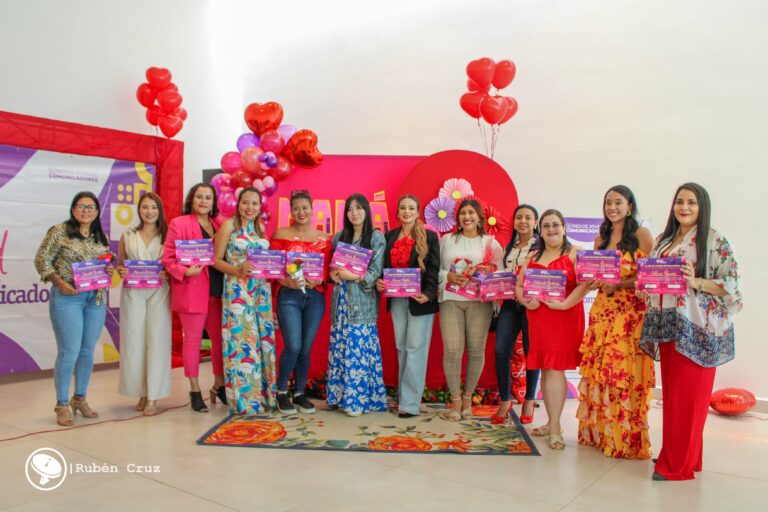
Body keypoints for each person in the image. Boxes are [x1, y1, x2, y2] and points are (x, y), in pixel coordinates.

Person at [638, 183, 742, 481]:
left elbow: (732, 285)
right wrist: (644, 281)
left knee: (689, 399)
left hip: (699, 327)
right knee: (674, 397)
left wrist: (696, 282)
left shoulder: (714, 239)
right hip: (668, 325)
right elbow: (655, 275)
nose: (684, 207)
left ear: (702, 207)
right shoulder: (664, 239)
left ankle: (676, 467)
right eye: (680, 202)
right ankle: (682, 455)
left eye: (691, 203)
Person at [577, 185, 655, 458]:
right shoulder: (601, 237)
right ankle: (603, 434)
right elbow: (595, 275)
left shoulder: (643, 235)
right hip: (602, 312)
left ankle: (626, 438)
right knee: (601, 373)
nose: (612, 207)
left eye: (618, 202)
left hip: (630, 315)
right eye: (608, 203)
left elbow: (649, 277)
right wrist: (594, 281)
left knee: (624, 375)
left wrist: (620, 285)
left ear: (630, 206)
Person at [34, 191, 114, 426]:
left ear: (97, 211)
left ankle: (80, 398)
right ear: (73, 209)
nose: (86, 210)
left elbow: (106, 262)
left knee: (88, 350)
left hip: (95, 298)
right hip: (68, 298)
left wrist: (108, 269)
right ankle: (61, 404)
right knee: (69, 351)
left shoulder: (100, 235)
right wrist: (59, 282)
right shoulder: (59, 231)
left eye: (91, 207)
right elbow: (41, 260)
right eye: (81, 206)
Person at [516, 209, 589, 450]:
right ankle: (550, 421)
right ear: (541, 229)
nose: (551, 229)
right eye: (546, 225)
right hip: (539, 319)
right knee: (547, 371)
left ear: (564, 227)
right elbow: (519, 285)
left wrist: (566, 303)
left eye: (555, 225)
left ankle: (556, 428)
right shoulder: (532, 256)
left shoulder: (575, 253)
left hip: (565, 317)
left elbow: (585, 283)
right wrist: (526, 300)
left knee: (555, 370)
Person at [438, 198, 503, 421]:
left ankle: (468, 399)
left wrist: (485, 274)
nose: (467, 217)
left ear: (480, 218)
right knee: (453, 351)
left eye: (471, 213)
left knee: (476, 351)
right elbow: (434, 269)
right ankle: (455, 401)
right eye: (463, 213)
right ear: (457, 218)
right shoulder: (446, 240)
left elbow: (500, 276)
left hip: (480, 303)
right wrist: (448, 275)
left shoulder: (491, 244)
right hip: (450, 300)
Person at [213, 187, 277, 415]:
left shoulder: (260, 228)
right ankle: (245, 402)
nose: (249, 208)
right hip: (238, 290)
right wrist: (237, 269)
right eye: (245, 203)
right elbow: (216, 260)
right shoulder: (229, 226)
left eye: (254, 204)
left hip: (261, 291)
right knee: (244, 343)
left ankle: (264, 396)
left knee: (264, 343)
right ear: (238, 203)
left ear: (260, 207)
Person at [375, 195, 440, 418]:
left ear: (418, 211)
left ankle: (410, 404)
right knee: (402, 348)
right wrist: (379, 281)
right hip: (397, 300)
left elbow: (433, 268)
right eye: (402, 207)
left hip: (419, 301)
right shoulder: (389, 236)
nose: (406, 211)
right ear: (398, 211)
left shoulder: (429, 237)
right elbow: (383, 267)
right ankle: (404, 397)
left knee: (415, 349)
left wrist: (429, 294)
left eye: (411, 208)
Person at [162, 183, 224, 413]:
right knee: (193, 342)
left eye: (208, 197)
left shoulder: (220, 224)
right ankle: (195, 389)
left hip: (217, 291)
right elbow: (168, 259)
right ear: (192, 199)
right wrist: (184, 271)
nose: (204, 201)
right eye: (199, 196)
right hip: (191, 289)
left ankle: (219, 385)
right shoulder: (179, 224)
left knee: (219, 341)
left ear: (213, 202)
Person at [326, 194, 387, 416]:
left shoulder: (376, 237)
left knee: (359, 349)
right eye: (350, 209)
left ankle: (358, 401)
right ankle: (340, 397)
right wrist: (334, 275)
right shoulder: (340, 237)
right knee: (341, 347)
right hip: (341, 302)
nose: (354, 213)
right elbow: (332, 269)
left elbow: (375, 273)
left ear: (367, 211)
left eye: (359, 208)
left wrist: (353, 276)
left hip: (362, 303)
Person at [270, 189, 330, 415]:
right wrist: (285, 280)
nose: (301, 212)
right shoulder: (281, 233)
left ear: (312, 209)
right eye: (296, 208)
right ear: (291, 211)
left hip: (315, 297)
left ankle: (300, 393)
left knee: (305, 349)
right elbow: (273, 267)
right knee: (293, 346)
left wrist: (319, 279)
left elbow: (328, 270)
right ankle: (282, 392)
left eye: (305, 207)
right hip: (289, 297)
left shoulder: (324, 239)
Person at [116, 192, 172, 416]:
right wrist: (121, 271)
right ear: (139, 210)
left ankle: (154, 396)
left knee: (157, 342)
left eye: (154, 208)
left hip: (159, 293)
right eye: (145, 207)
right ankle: (141, 390)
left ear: (160, 211)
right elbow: (120, 264)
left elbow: (174, 264)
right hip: (133, 293)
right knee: (134, 342)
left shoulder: (168, 236)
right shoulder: (128, 235)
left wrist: (168, 272)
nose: (149, 212)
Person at [493, 204, 540, 424]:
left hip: (532, 305)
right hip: (510, 304)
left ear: (535, 222)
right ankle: (505, 399)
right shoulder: (508, 247)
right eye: (519, 217)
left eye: (528, 218)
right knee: (501, 350)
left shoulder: (540, 246)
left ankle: (529, 399)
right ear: (513, 222)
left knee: (533, 352)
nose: (523, 221)